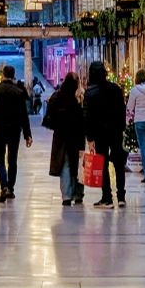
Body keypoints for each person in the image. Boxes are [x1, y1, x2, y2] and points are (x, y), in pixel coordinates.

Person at [84, 61, 126, 209]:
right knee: (119, 163)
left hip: (99, 133)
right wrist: (122, 128)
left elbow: (88, 117)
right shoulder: (116, 89)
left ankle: (107, 197)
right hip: (115, 131)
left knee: (102, 164)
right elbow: (122, 111)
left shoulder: (90, 93)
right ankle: (121, 197)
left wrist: (89, 138)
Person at [0, 65, 33, 202]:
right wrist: (27, 134)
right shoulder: (18, 92)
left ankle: (4, 185)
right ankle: (11, 188)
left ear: (3, 75)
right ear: (13, 75)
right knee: (12, 159)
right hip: (14, 130)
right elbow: (23, 115)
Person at [44, 70, 85, 206]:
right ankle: (78, 193)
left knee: (65, 165)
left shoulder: (57, 97)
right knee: (77, 164)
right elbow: (83, 119)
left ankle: (66, 196)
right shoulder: (78, 98)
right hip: (77, 136)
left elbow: (49, 119)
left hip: (61, 137)